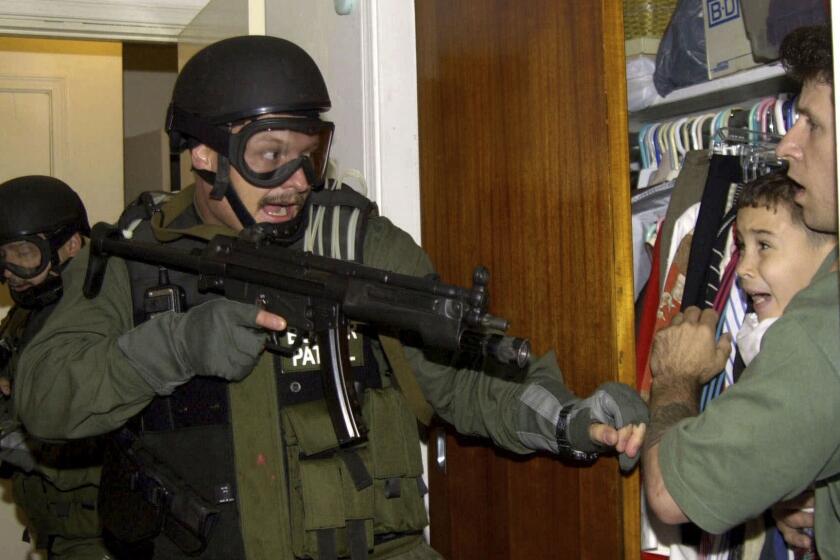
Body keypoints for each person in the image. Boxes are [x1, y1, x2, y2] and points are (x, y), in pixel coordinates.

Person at [14, 36, 648, 560]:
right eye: (269, 156)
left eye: (309, 155)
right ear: (205, 154)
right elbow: (45, 402)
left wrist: (566, 419)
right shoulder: (133, 258)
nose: (296, 180)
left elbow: (463, 384)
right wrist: (172, 346)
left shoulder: (358, 247)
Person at [642, 24, 840, 558]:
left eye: (813, 125)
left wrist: (676, 378)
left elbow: (667, 493)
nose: (787, 144)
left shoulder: (822, 328)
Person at [0, 175, 108, 559]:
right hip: (56, 532)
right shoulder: (23, 317)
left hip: (104, 534)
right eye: (2, 257)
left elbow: (125, 436)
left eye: (23, 254)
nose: (10, 270)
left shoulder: (102, 316)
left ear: (71, 245)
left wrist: (30, 447)